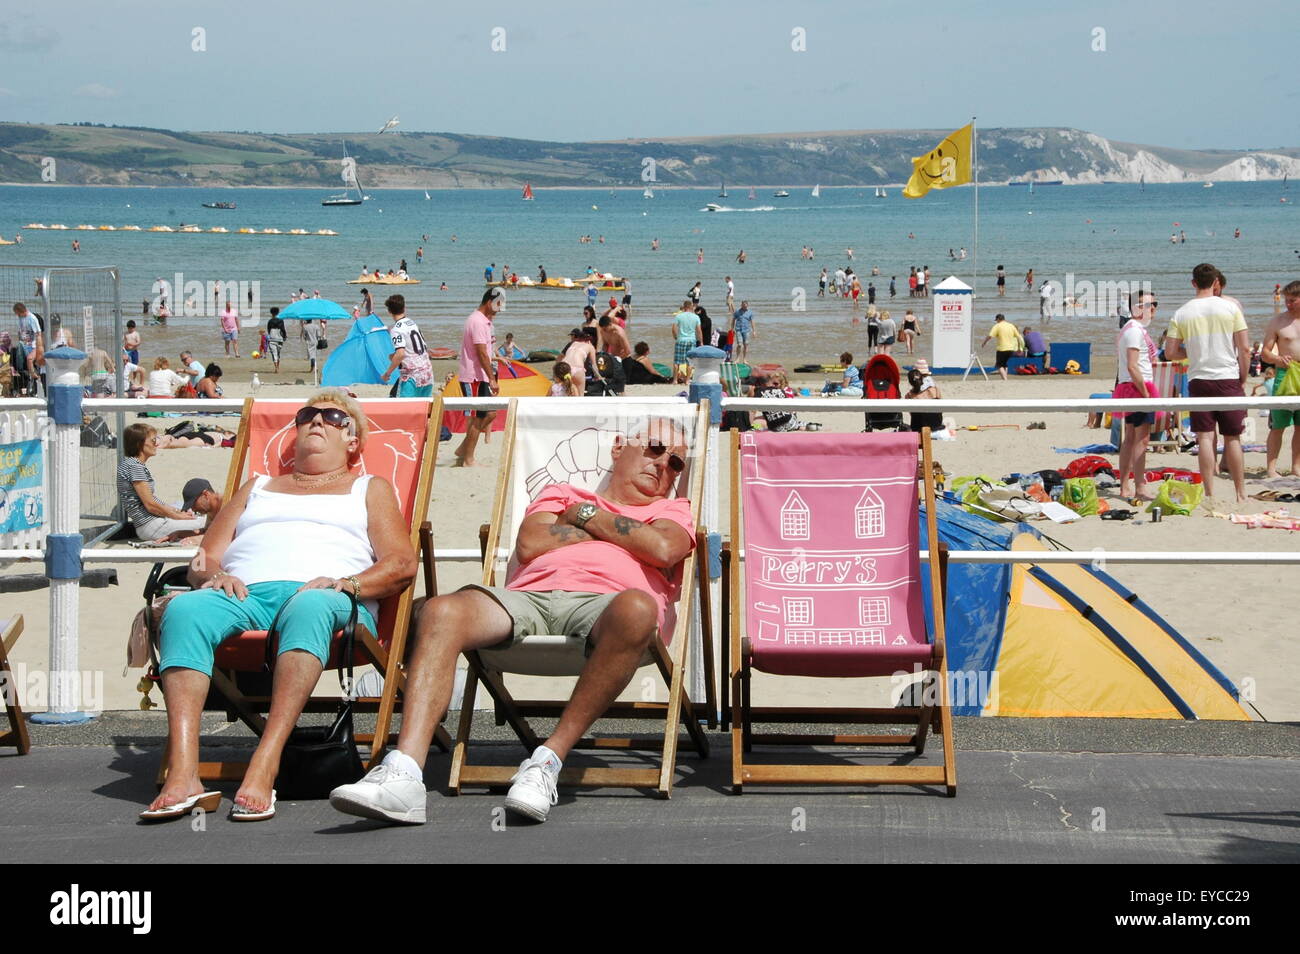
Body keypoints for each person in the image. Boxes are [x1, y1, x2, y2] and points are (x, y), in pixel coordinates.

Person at [329, 418, 695, 825]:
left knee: (640, 608)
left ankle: (546, 762)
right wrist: (629, 535)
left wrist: (585, 516)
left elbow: (662, 548)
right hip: (528, 599)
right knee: (440, 610)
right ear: (618, 447)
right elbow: (532, 543)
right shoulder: (560, 492)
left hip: (610, 610)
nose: (664, 464)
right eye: (656, 448)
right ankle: (405, 774)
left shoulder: (673, 510)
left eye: (677, 462)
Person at [141, 392, 417, 822]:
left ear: (353, 441)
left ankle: (265, 761)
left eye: (332, 417)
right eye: (307, 415)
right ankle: (184, 773)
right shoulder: (259, 488)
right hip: (245, 596)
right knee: (184, 611)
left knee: (308, 606)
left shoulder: (369, 488)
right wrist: (213, 575)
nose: (316, 422)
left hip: (329, 599)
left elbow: (401, 564)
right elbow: (208, 555)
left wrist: (348, 584)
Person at [1163, 263, 1250, 502]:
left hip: (1199, 378)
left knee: (1204, 437)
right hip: (1227, 376)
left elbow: (1170, 352)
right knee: (1233, 437)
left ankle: (1210, 492)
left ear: (1193, 283)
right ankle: (1240, 492)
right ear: (1215, 283)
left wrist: (1191, 353)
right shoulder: (1230, 308)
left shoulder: (1182, 312)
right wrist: (1242, 375)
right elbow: (1244, 348)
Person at [117, 423, 208, 542]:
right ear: (139, 444)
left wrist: (174, 510)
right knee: (204, 522)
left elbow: (152, 499)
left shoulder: (133, 464)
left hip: (152, 522)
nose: (156, 443)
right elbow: (150, 505)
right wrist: (177, 516)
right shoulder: (135, 467)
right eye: (153, 440)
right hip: (151, 526)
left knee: (182, 505)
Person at [1115, 292, 1161, 500]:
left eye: (1155, 304)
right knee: (1140, 439)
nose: (1154, 309)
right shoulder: (1134, 331)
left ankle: (1127, 484)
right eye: (1151, 304)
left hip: (1132, 385)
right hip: (1137, 386)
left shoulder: (1132, 329)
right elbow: (1133, 366)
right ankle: (1138, 485)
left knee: (1132, 437)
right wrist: (1145, 394)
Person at [454, 288, 504, 468]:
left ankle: (462, 448)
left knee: (490, 413)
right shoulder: (477, 321)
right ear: (490, 301)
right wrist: (492, 378)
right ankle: (468, 459)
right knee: (477, 417)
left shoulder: (484, 321)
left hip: (481, 375)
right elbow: (481, 352)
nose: (498, 311)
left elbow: (487, 352)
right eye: (498, 306)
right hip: (473, 376)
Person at [1261, 280, 1300, 477]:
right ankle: (1271, 469)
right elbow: (1265, 353)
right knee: (1278, 424)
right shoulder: (1278, 321)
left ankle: (1296, 467)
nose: (1288, 304)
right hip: (1284, 373)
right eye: (1287, 300)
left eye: (1292, 300)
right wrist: (1278, 358)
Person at [380, 295, 434, 398]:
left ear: (389, 312)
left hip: (412, 376)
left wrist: (387, 373)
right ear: (404, 308)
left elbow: (400, 354)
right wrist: (393, 356)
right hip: (427, 373)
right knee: (422, 409)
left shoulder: (396, 330)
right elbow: (415, 349)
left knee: (404, 409)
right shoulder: (412, 323)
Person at [904, 363, 944, 434]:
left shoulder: (908, 396)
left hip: (917, 427)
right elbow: (941, 409)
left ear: (910, 382)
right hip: (936, 425)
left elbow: (912, 414)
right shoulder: (934, 389)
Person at [982, 314, 1023, 381]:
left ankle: (1005, 379)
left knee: (999, 365)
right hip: (1011, 349)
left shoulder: (997, 326)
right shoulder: (1011, 325)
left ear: (998, 319)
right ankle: (1005, 378)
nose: (996, 321)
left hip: (1002, 349)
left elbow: (990, 336)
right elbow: (1018, 337)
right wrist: (1018, 348)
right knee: (1004, 364)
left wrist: (984, 342)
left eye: (996, 320)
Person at [561, 327, 602, 394]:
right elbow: (594, 365)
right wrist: (599, 377)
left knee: (564, 393)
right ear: (588, 340)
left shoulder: (573, 343)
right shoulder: (590, 347)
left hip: (563, 367)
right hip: (577, 369)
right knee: (580, 395)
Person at [672, 300, 702, 384]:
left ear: (684, 307)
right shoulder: (696, 317)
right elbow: (699, 330)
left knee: (677, 361)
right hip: (691, 340)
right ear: (691, 307)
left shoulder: (679, 316)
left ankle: (675, 380)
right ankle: (687, 380)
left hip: (681, 340)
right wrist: (701, 341)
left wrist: (676, 337)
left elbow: (673, 328)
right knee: (690, 362)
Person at [266, 307, 286, 373]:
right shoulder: (281, 320)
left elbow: (268, 331)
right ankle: (278, 367)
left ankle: (276, 367)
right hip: (280, 339)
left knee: (274, 354)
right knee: (278, 353)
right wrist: (285, 336)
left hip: (272, 339)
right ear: (278, 312)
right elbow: (283, 329)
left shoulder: (270, 321)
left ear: (271, 313)